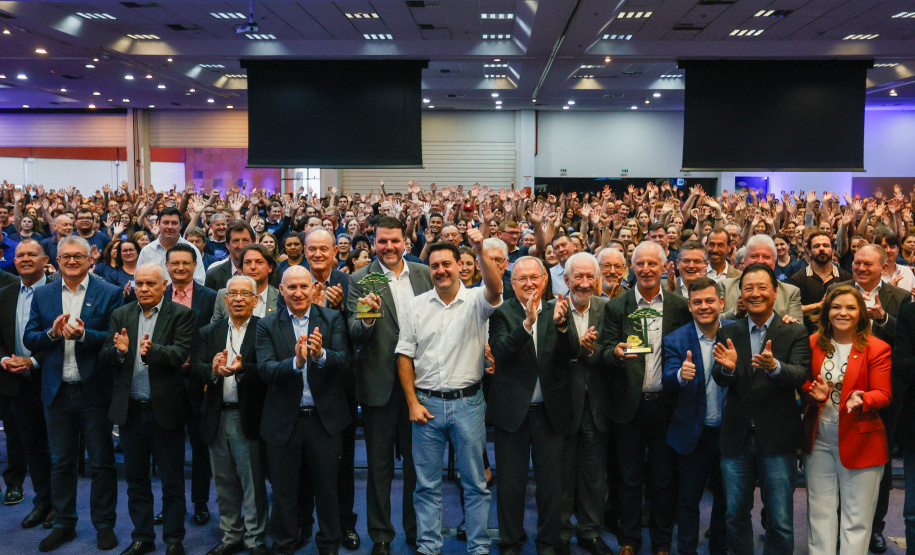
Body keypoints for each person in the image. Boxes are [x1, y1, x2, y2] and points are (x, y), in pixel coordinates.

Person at [395, 228, 501, 555]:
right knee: (426, 487)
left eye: (447, 264)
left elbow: (496, 288)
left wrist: (481, 247)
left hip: (469, 404)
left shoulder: (477, 300)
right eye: (435, 265)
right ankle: (429, 548)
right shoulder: (415, 306)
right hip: (425, 405)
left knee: (476, 486)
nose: (441, 270)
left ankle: (479, 547)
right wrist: (411, 402)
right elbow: (404, 355)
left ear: (460, 266)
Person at [23, 235, 124, 552]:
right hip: (57, 393)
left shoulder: (108, 293)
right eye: (65, 256)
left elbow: (114, 339)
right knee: (61, 463)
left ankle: (104, 525)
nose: (71, 261)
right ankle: (64, 523)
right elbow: (30, 338)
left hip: (94, 391)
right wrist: (52, 333)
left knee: (102, 463)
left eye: (78, 257)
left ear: (89, 260)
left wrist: (84, 335)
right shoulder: (44, 294)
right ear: (58, 258)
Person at [595, 240, 692, 555]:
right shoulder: (616, 306)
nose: (647, 270)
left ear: (665, 267)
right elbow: (604, 350)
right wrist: (616, 353)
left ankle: (662, 542)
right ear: (631, 268)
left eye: (653, 264)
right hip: (628, 406)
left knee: (664, 480)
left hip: (667, 405)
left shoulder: (679, 306)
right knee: (629, 479)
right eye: (640, 264)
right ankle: (629, 540)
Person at [711, 262, 811, 555]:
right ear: (740, 294)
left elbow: (800, 375)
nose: (755, 293)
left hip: (778, 438)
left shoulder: (794, 332)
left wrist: (775, 367)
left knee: (780, 521)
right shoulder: (727, 331)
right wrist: (727, 369)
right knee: (734, 515)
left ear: (775, 291)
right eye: (748, 288)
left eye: (761, 287)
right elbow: (718, 377)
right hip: (736, 437)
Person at [347, 216, 432, 555]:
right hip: (379, 387)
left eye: (395, 241)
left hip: (421, 386)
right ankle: (381, 536)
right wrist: (368, 317)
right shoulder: (360, 279)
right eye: (382, 241)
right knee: (379, 468)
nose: (389, 247)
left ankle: (416, 529)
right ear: (374, 242)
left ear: (405, 242)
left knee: (418, 466)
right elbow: (354, 331)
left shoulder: (425, 274)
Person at [100, 262, 196, 555]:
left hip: (165, 411)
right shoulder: (121, 314)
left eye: (150, 284)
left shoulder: (182, 314)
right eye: (139, 284)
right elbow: (105, 356)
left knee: (171, 480)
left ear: (164, 285)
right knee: (136, 480)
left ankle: (173, 539)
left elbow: (181, 354)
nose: (143, 289)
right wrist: (119, 352)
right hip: (131, 412)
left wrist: (151, 351)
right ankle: (142, 536)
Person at [256, 265, 351, 555]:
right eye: (291, 287)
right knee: (283, 493)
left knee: (327, 491)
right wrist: (296, 363)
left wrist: (320, 355)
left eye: (303, 286)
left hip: (324, 423)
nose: (298, 292)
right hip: (284, 422)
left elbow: (343, 361)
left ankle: (329, 546)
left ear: (313, 289)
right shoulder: (267, 324)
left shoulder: (332, 318)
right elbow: (265, 370)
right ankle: (283, 546)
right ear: (280, 291)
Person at [827, 243, 911, 552]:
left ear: (883, 265)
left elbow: (906, 342)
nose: (861, 268)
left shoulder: (899, 298)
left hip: (882, 394)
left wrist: (884, 319)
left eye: (867, 264)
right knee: (838, 459)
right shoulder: (837, 291)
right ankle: (838, 524)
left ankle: (875, 526)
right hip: (839, 391)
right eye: (857, 263)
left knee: (879, 465)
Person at [488, 255, 572, 555]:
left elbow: (572, 354)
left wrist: (563, 327)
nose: (528, 283)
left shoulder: (557, 310)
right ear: (512, 283)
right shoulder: (502, 314)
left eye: (534, 277)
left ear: (545, 280)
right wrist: (526, 325)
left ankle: (548, 543)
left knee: (551, 486)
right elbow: (499, 351)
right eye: (521, 279)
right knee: (511, 486)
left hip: (550, 414)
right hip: (513, 415)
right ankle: (511, 542)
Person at [802, 285, 891, 555]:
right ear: (826, 311)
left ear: (862, 314)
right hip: (819, 439)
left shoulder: (877, 347)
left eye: (851, 307)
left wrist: (863, 399)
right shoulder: (812, 343)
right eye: (836, 307)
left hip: (862, 440)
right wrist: (812, 393)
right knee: (820, 514)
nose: (843, 313)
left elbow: (884, 393)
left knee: (857, 520)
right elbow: (803, 382)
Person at [191, 276, 269, 555]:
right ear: (224, 300)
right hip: (216, 416)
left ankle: (255, 540)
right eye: (232, 293)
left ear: (255, 299)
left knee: (252, 484)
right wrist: (212, 369)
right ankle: (231, 535)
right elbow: (195, 369)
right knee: (223, 483)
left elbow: (269, 370)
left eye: (244, 294)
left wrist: (242, 368)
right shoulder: (208, 331)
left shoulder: (265, 329)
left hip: (248, 416)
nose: (237, 299)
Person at [662, 277, 732, 555]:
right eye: (697, 302)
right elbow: (667, 380)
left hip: (729, 434)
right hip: (692, 434)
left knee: (726, 501)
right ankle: (687, 551)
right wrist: (680, 375)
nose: (704, 306)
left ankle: (719, 550)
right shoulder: (676, 339)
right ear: (689, 307)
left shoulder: (736, 334)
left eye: (709, 301)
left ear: (721, 303)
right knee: (688, 501)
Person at [557, 253, 614, 555]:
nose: (583, 283)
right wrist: (576, 350)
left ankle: (590, 531)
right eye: (577, 277)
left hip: (596, 405)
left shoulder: (608, 309)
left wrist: (590, 353)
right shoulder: (554, 311)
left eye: (589, 277)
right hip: (562, 404)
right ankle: (562, 533)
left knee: (594, 474)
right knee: (562, 473)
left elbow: (609, 351)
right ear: (566, 280)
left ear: (597, 279)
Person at [163, 243, 218, 527]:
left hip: (198, 382)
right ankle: (171, 502)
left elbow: (213, 338)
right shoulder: (156, 295)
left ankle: (200, 503)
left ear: (195, 265)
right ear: (168, 266)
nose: (181, 268)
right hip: (164, 381)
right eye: (175, 263)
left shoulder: (209, 297)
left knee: (199, 446)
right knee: (168, 447)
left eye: (186, 263)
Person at [0, 239, 53, 528]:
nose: (25, 259)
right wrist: (5, 360)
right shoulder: (5, 293)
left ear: (45, 260)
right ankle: (42, 502)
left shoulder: (58, 291)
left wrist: (32, 361)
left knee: (58, 448)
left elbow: (60, 337)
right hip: (15, 382)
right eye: (20, 255)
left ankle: (60, 505)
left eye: (32, 254)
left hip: (52, 378)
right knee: (32, 446)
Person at [721, 235, 803, 322]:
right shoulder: (725, 287)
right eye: (754, 256)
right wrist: (736, 312)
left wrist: (791, 325)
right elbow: (714, 324)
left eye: (766, 257)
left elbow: (799, 329)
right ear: (744, 260)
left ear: (774, 262)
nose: (760, 261)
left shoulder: (790, 292)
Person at [790, 232, 852, 334]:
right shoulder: (797, 279)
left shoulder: (846, 278)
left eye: (826, 245)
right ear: (809, 251)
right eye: (816, 246)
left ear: (833, 251)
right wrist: (818, 306)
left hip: (839, 334)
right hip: (807, 336)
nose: (822, 249)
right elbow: (792, 310)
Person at [135, 207, 206, 285]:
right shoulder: (147, 251)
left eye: (174, 223)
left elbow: (199, 280)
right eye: (166, 223)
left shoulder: (192, 249)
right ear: (158, 224)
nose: (170, 227)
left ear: (180, 225)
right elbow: (139, 280)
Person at [212, 245, 279, 322]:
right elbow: (215, 330)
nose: (253, 267)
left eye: (259, 262)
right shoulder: (223, 295)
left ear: (270, 267)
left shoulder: (280, 297)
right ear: (241, 268)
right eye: (248, 262)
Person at [205, 220, 257, 292]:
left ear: (254, 242)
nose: (241, 246)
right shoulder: (213, 275)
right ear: (227, 244)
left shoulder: (265, 273)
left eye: (245, 240)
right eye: (236, 241)